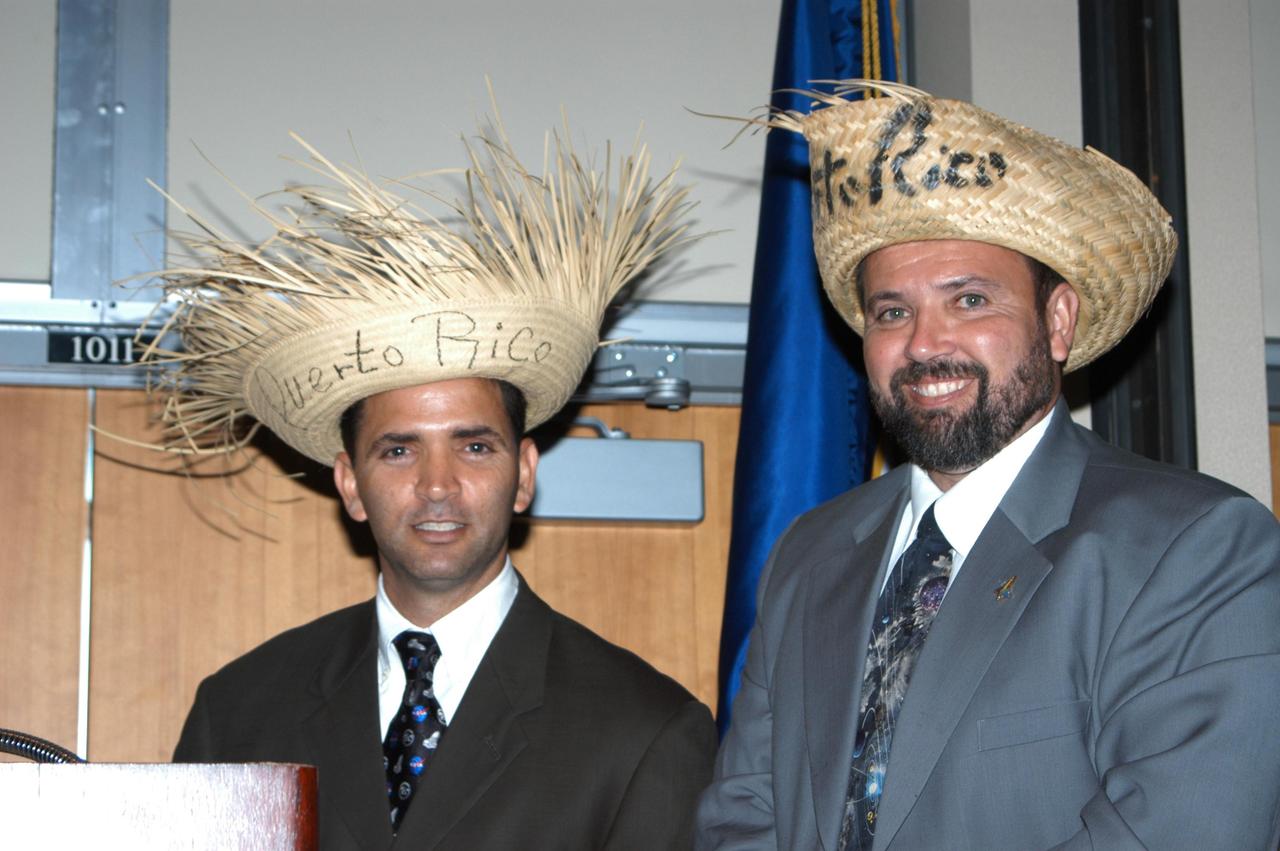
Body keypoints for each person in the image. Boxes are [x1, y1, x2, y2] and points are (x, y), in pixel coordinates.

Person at [696, 80, 1280, 850]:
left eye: (969, 301)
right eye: (892, 311)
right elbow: (742, 824)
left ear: (1058, 320)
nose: (925, 343)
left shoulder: (1197, 550)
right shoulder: (808, 555)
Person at [149, 114, 717, 849]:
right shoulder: (241, 711)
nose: (438, 484)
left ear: (524, 474)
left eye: (474, 446)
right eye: (398, 451)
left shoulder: (643, 730)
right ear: (349, 483)